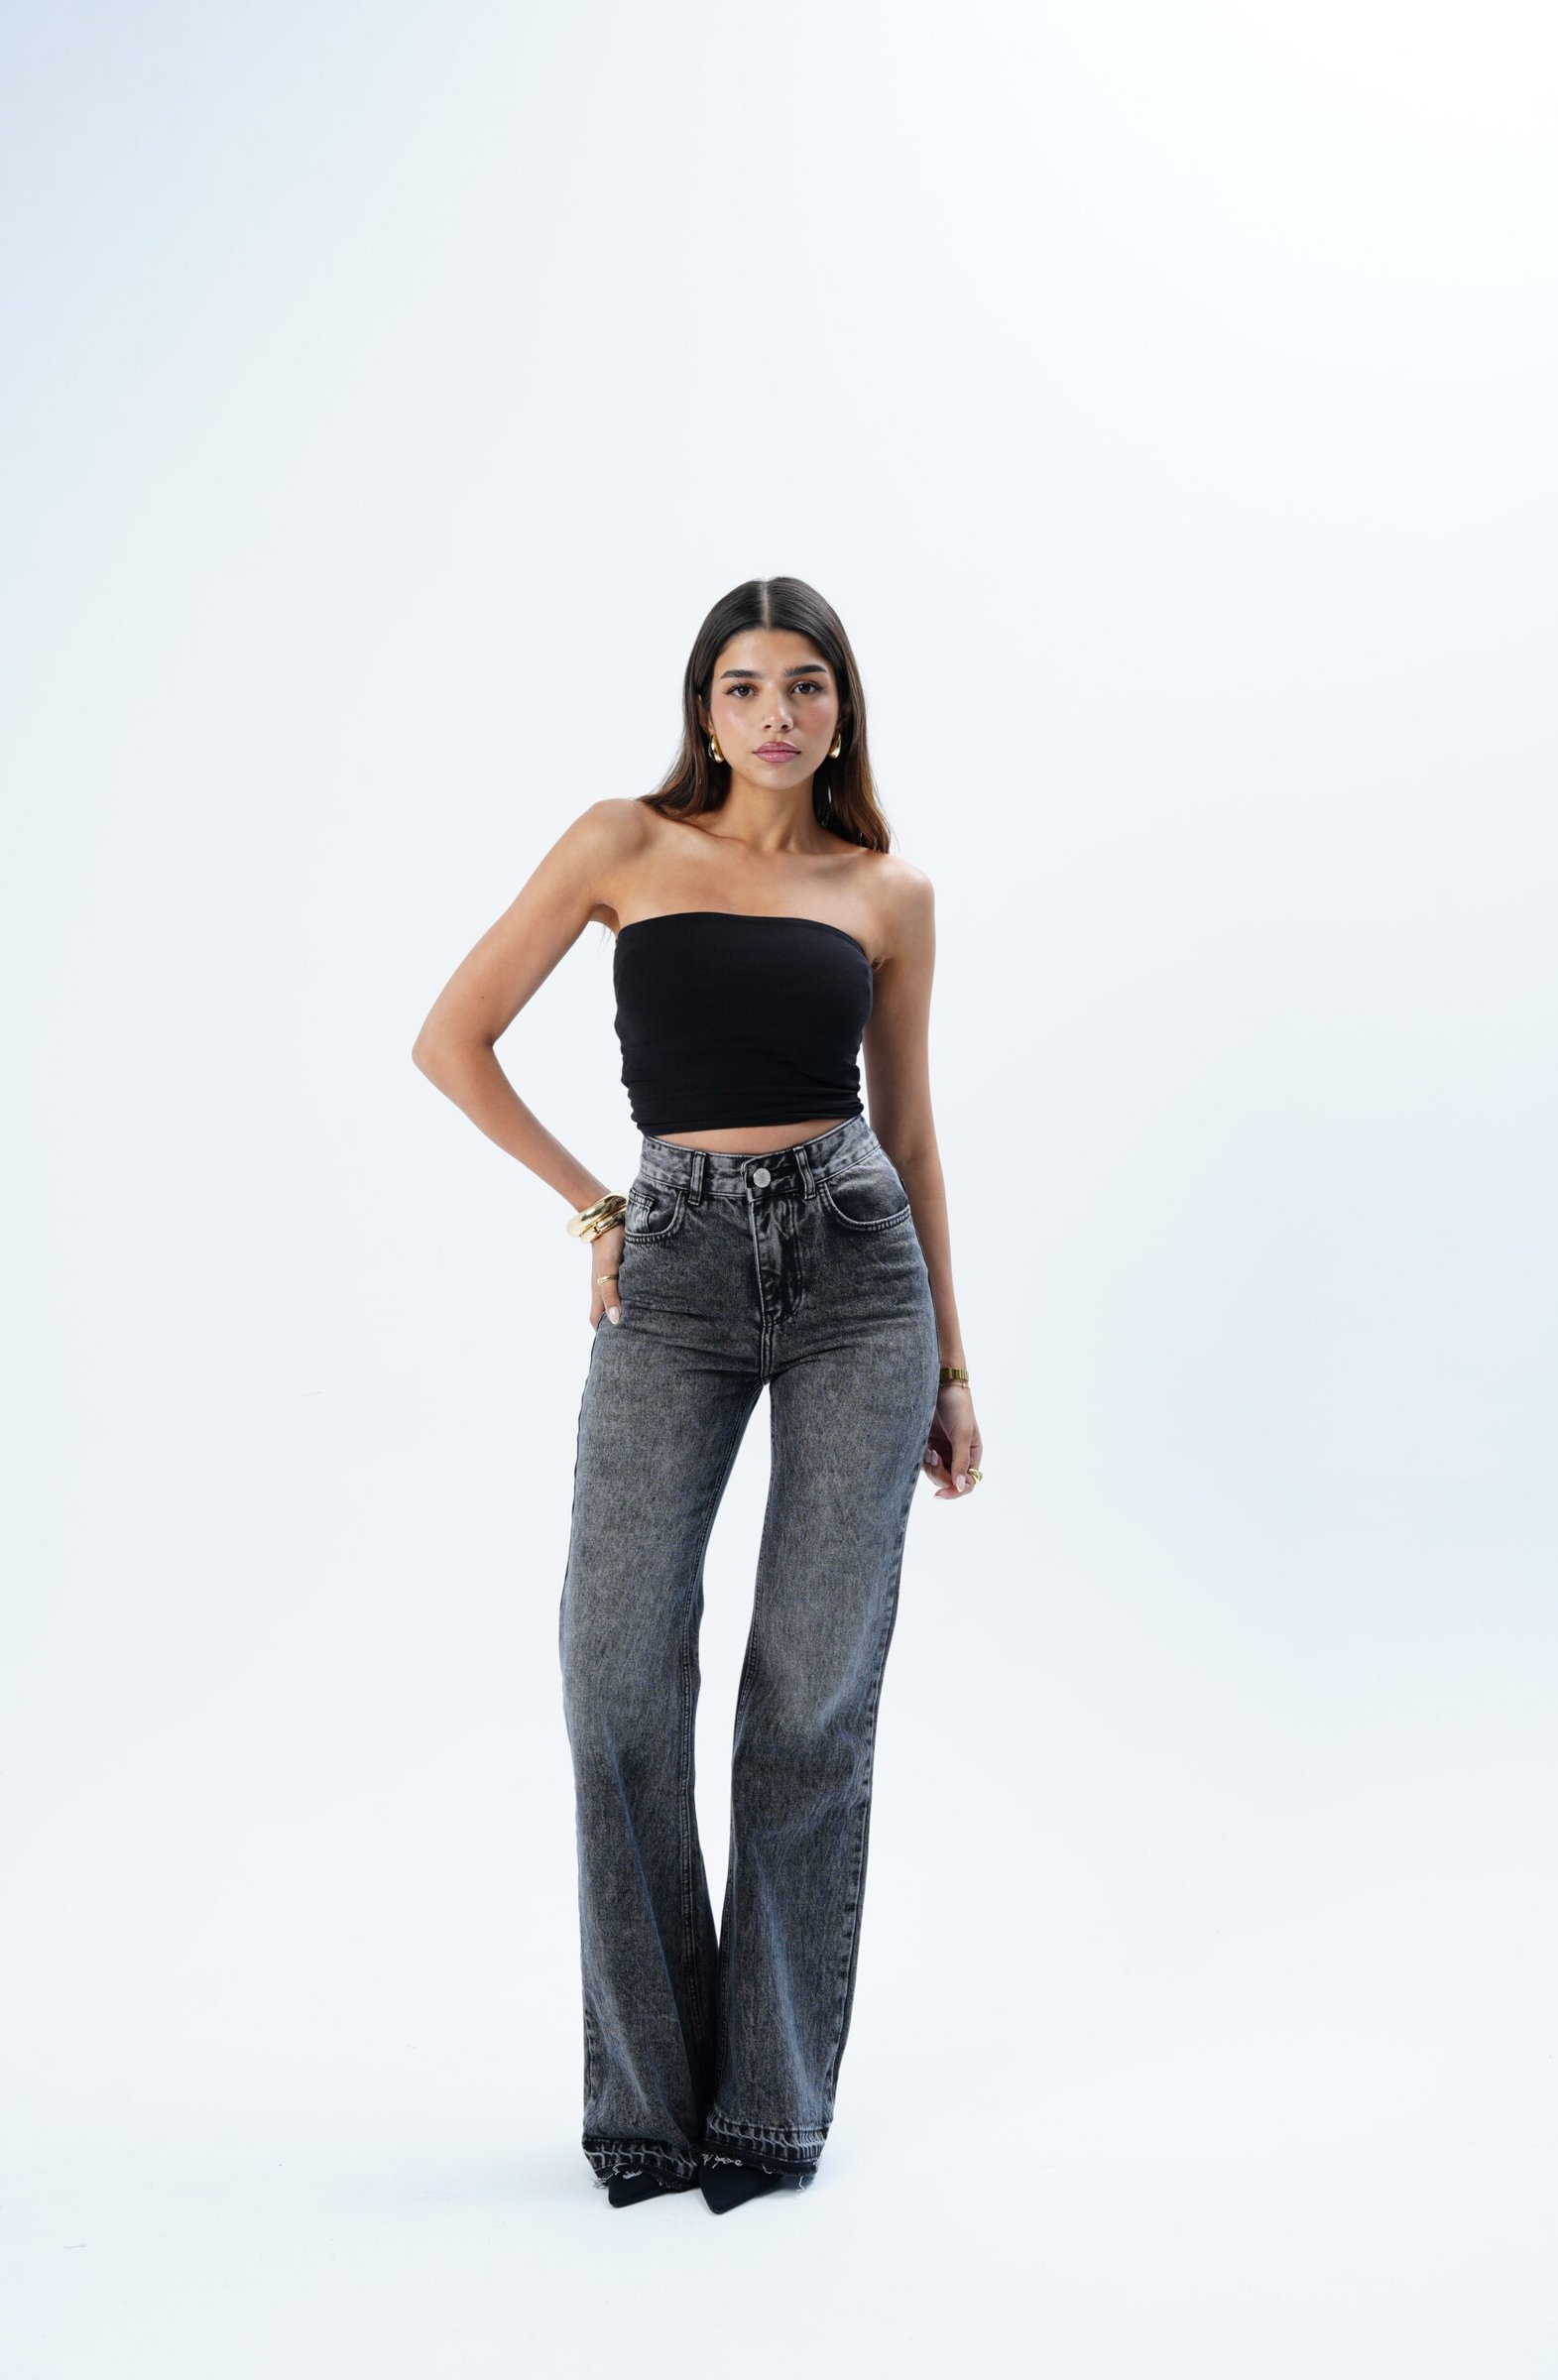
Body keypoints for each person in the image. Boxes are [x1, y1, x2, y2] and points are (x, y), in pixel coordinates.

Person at [412, 575, 983, 2215]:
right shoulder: (623, 844)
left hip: (861, 1274)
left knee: (809, 1697)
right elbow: (452, 1038)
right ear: (705, 710)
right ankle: (650, 2107)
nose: (776, 713)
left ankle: (767, 2110)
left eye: (806, 685)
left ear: (842, 711)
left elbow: (914, 1133)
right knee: (616, 1670)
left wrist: (953, 1362)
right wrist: (597, 1207)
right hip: (670, 1269)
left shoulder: (888, 892)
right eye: (744, 686)